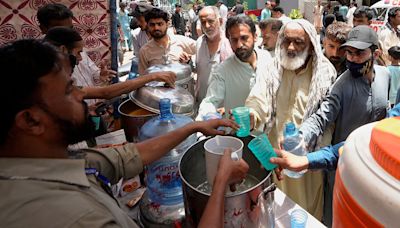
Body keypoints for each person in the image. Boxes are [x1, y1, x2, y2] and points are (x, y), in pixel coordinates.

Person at [0, 39, 248, 228]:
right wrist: (220, 183)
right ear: (31, 120)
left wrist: (192, 127)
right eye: (69, 91)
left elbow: (127, 156)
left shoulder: (54, 161)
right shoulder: (75, 217)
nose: (82, 95)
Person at [245, 19, 337, 220]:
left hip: (306, 160)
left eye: (299, 42)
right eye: (286, 41)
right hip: (275, 156)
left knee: (304, 213)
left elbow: (328, 119)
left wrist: (310, 153)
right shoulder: (272, 67)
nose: (291, 47)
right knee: (274, 209)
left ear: (312, 46)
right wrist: (252, 114)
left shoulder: (325, 73)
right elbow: (259, 97)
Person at [299, 25, 390, 227]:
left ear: (375, 53)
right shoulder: (342, 84)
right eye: (348, 52)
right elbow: (322, 116)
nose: (351, 59)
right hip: (342, 163)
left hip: (375, 165)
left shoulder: (385, 76)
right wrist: (300, 135)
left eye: (359, 53)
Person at [44, 27, 176, 101]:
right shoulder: (51, 81)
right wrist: (153, 76)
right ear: (62, 50)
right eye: (78, 53)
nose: (79, 59)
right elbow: (105, 93)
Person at [37, 3, 116, 106]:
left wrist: (100, 75)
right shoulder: (42, 61)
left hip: (91, 110)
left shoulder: (77, 47)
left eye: (70, 28)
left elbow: (92, 75)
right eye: (60, 30)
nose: (68, 34)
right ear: (43, 28)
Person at [196, 15, 272, 120]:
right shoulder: (223, 70)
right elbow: (210, 101)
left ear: (255, 37)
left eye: (244, 38)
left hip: (269, 130)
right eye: (234, 40)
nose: (239, 44)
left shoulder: (266, 57)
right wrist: (208, 117)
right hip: (240, 132)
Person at [138, 8, 196, 74]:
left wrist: (190, 61)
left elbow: (203, 50)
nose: (156, 28)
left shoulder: (181, 41)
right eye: (152, 25)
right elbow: (143, 77)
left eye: (160, 24)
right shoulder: (145, 51)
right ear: (147, 26)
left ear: (167, 24)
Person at [195, 6, 233, 103]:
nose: (207, 26)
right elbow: (200, 69)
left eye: (210, 21)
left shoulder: (230, 43)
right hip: (202, 103)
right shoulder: (199, 42)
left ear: (220, 21)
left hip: (224, 106)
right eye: (203, 22)